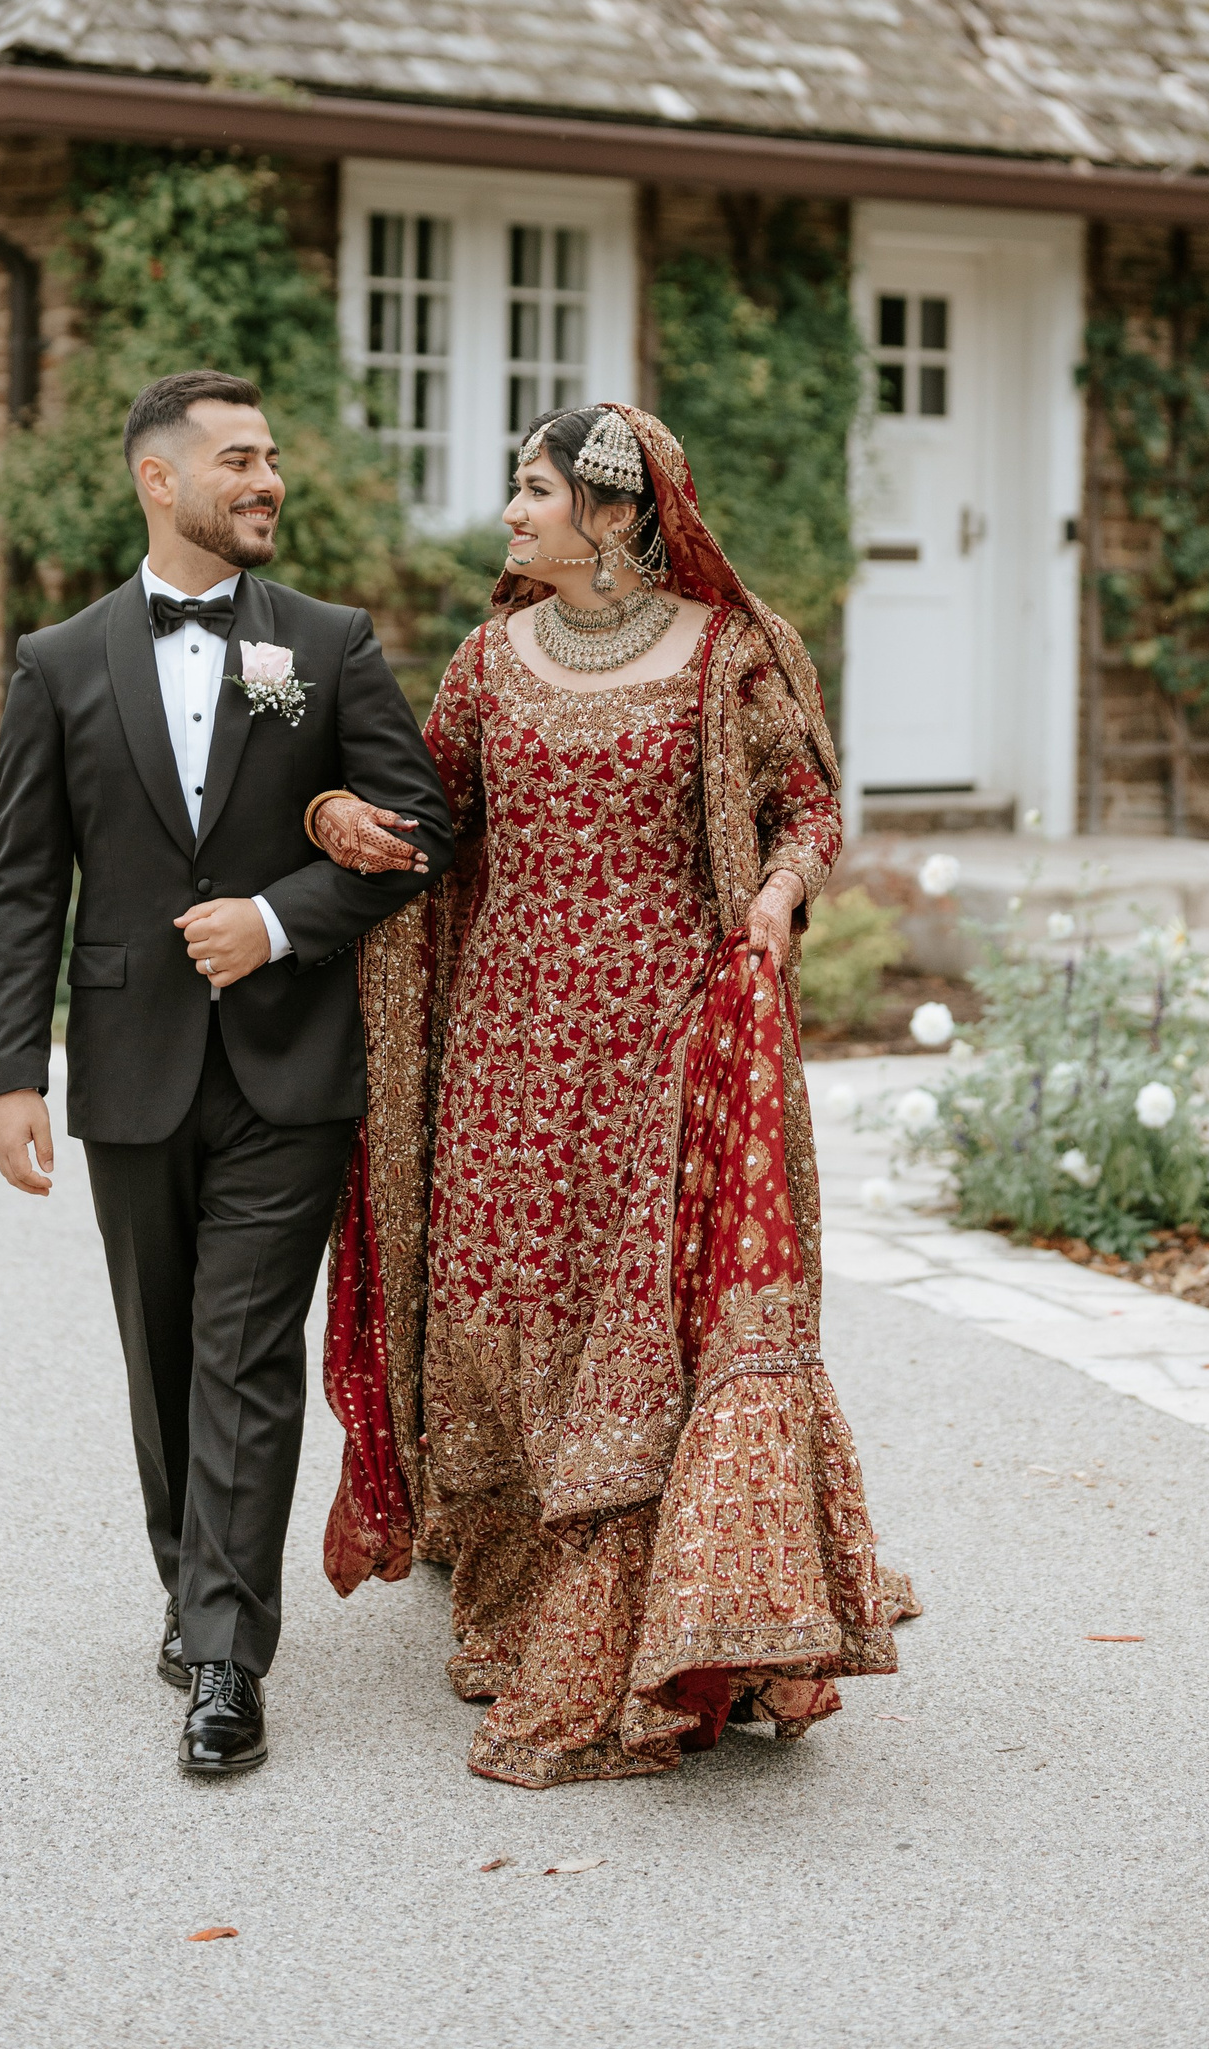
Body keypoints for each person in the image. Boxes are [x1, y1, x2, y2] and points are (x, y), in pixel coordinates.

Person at [309, 402, 918, 1787]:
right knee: (502, 1288)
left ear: (615, 511)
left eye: (533, 490)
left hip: (662, 1039)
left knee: (636, 1305)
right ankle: (520, 1582)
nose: (512, 513)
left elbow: (807, 806)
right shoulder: (488, 659)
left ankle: (687, 1609)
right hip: (506, 1043)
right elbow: (428, 812)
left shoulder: (725, 654)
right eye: (517, 488)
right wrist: (330, 814)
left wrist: (778, 894)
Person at [0, 369, 452, 1779]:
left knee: (245, 1351)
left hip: (287, 1064)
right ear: (160, 480)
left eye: (271, 457)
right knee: (162, 1350)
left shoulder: (327, 642)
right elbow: (26, 883)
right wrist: (13, 1070)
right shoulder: (59, 661)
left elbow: (421, 826)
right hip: (130, 1064)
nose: (268, 481)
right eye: (238, 459)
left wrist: (280, 917)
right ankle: (193, 1589)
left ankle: (230, 1658)